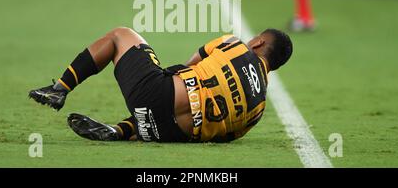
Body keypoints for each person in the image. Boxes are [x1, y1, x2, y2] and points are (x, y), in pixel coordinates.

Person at [29, 27, 292, 143]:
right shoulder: (259, 110)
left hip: (157, 95)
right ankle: (120, 131)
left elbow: (189, 65)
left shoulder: (235, 45)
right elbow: (223, 138)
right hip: (172, 134)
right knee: (174, 113)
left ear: (257, 42)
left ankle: (60, 88)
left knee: (121, 35)